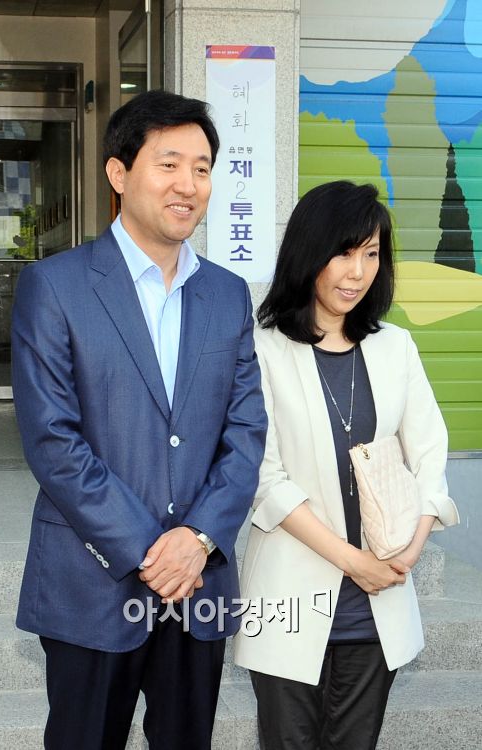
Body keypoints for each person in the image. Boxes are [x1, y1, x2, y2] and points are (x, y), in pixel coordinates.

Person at [11, 89, 267, 750]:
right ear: (119, 174)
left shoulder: (227, 294)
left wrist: (198, 539)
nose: (188, 184)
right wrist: (154, 552)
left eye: (202, 168)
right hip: (93, 580)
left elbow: (245, 433)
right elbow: (52, 439)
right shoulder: (55, 286)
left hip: (198, 585)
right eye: (169, 164)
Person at [234, 181, 459, 749]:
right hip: (288, 598)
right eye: (343, 252)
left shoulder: (395, 347)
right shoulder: (262, 349)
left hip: (379, 601)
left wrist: (408, 553)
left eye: (372, 253)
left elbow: (430, 456)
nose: (357, 272)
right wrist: (353, 562)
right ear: (309, 252)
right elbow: (265, 479)